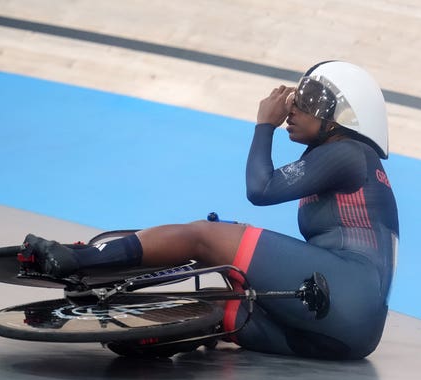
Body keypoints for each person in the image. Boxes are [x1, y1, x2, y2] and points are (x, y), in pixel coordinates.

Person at [23, 60, 399, 360]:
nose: (292, 110)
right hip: (347, 338)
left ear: (341, 116)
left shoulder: (349, 153)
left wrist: (263, 125)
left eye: (307, 101)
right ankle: (143, 328)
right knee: (217, 311)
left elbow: (260, 188)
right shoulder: (346, 161)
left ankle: (76, 258)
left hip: (344, 296)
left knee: (205, 236)